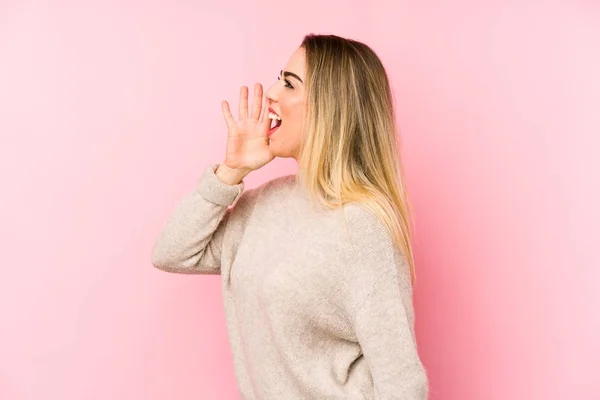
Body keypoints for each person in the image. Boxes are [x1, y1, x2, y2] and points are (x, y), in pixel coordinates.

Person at [151, 33, 429, 399]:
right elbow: (172, 252)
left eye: (288, 83)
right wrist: (230, 171)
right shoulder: (262, 204)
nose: (270, 92)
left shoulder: (362, 227)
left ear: (330, 107)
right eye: (278, 77)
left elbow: (403, 384)